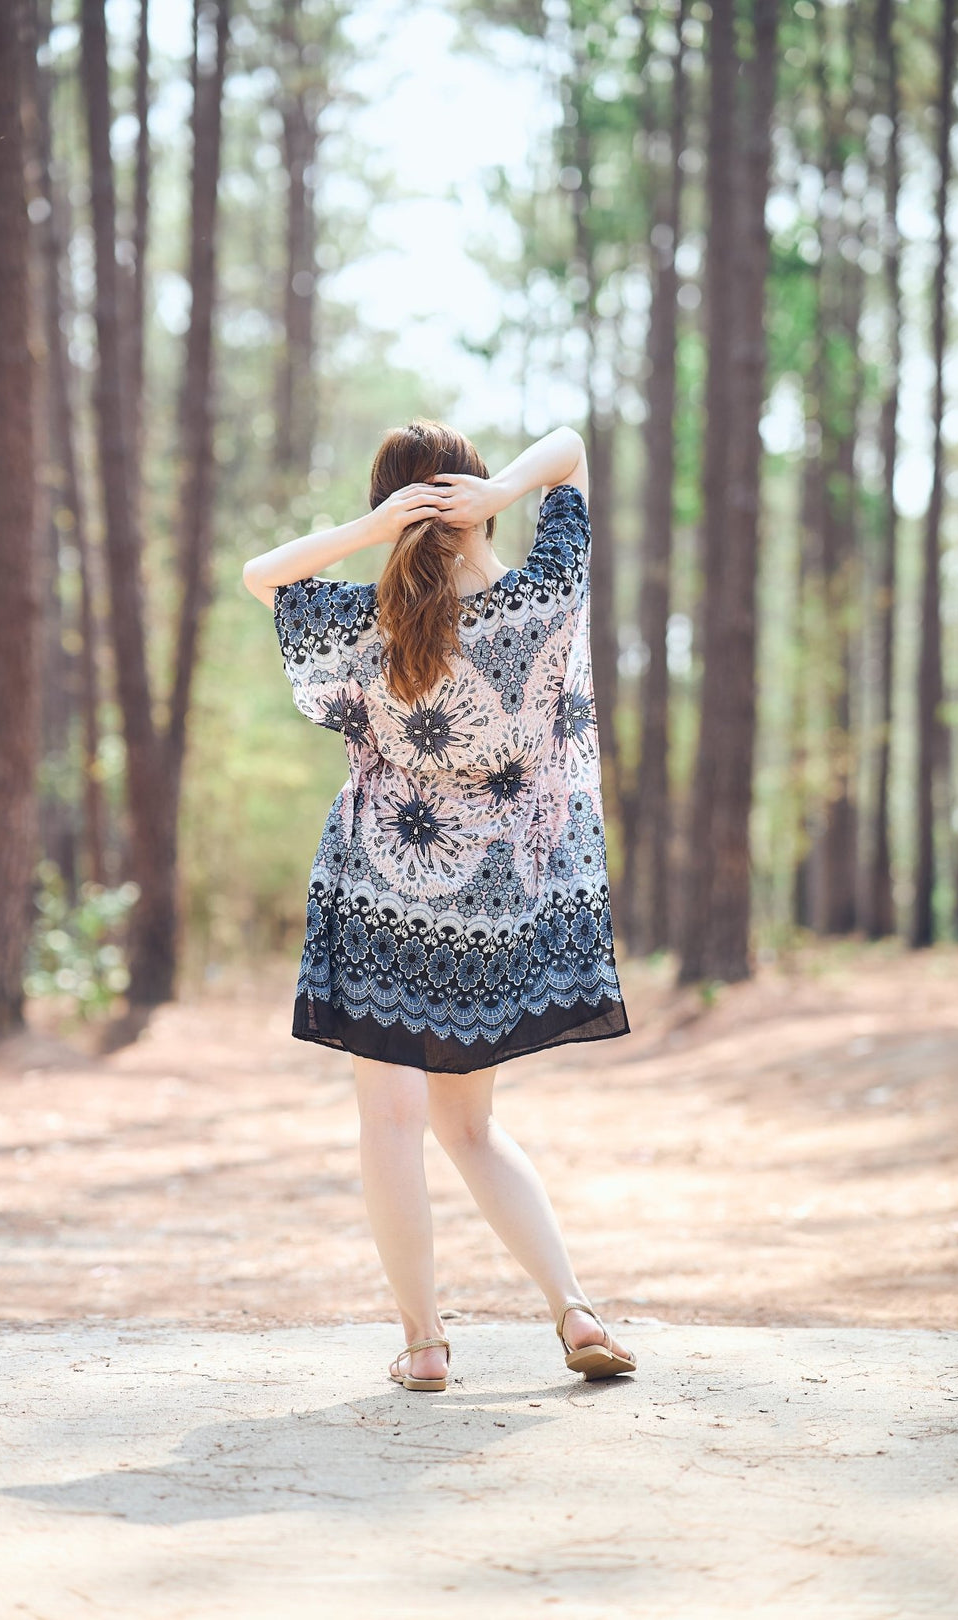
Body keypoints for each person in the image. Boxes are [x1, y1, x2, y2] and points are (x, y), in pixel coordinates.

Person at [243, 421, 635, 1392]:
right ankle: (574, 1309)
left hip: (385, 892)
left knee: (392, 1126)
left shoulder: (372, 625)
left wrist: (371, 529)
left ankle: (423, 1343)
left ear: (394, 510)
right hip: (503, 902)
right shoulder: (542, 595)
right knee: (470, 1128)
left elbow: (264, 575)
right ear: (472, 504)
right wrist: (501, 489)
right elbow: (572, 447)